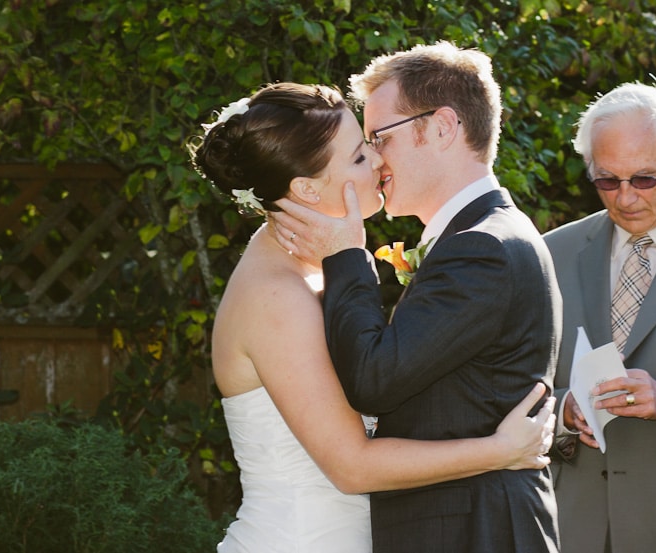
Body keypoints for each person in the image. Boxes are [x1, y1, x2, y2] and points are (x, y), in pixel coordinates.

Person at [190, 81, 557, 553]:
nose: (381, 160)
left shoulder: (322, 275)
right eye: (360, 157)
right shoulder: (276, 296)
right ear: (305, 188)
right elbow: (352, 467)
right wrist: (500, 451)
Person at [543, 82, 656, 553]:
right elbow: (510, 384)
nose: (625, 197)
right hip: (573, 528)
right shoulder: (553, 253)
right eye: (608, 181)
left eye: (644, 179)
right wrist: (564, 411)